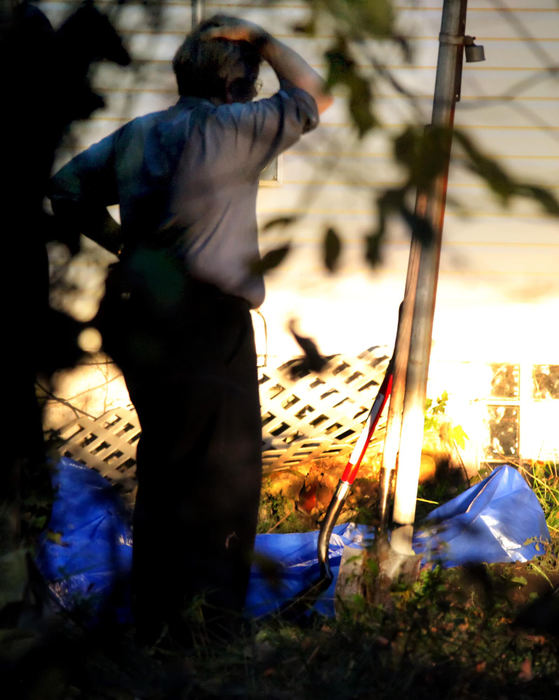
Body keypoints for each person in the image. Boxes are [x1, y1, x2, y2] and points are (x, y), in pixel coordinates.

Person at [49, 14, 332, 645]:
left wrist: (125, 246)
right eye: (253, 85)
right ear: (235, 88)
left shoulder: (140, 134)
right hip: (206, 322)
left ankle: (157, 617)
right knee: (224, 476)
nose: (259, 97)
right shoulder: (232, 128)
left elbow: (66, 190)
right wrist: (259, 40)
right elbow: (315, 93)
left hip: (145, 315)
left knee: (170, 465)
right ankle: (211, 630)